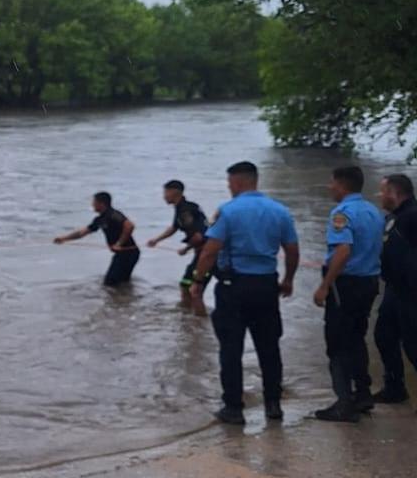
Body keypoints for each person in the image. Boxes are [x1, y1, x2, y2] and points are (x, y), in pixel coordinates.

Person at [188, 161, 299, 426]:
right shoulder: (280, 211)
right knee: (269, 347)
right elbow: (292, 250)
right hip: (266, 286)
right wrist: (288, 280)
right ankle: (273, 405)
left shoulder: (228, 211)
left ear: (237, 182)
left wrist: (197, 283)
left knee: (231, 348)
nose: (229, 188)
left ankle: (233, 408)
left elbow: (210, 251)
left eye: (229, 183)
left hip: (233, 287)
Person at [311, 165, 385, 423]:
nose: (329, 187)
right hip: (369, 282)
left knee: (337, 342)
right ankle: (363, 394)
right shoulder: (374, 211)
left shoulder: (341, 213)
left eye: (332, 182)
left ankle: (343, 402)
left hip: (346, 284)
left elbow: (343, 250)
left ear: (342, 185)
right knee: (356, 338)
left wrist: (324, 285)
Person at [372, 173, 417, 405]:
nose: (380, 195)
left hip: (411, 291)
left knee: (413, 343)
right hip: (395, 289)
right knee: (384, 335)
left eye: (383, 191)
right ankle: (395, 387)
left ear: (394, 193)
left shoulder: (412, 216)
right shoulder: (395, 217)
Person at [54, 192, 139, 286]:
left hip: (129, 253)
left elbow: (129, 226)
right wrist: (64, 238)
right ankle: (126, 297)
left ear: (101, 203)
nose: (92, 204)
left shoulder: (113, 214)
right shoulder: (99, 219)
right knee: (120, 282)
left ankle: (121, 299)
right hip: (123, 254)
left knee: (109, 283)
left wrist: (119, 244)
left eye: (94, 202)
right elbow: (82, 233)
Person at [146, 179, 210, 293]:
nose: (164, 196)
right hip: (208, 252)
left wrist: (186, 248)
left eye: (165, 193)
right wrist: (156, 240)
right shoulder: (185, 207)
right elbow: (174, 227)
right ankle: (187, 311)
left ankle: (190, 310)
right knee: (189, 287)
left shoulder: (184, 211)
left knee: (188, 287)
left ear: (174, 192)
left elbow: (198, 236)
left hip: (205, 254)